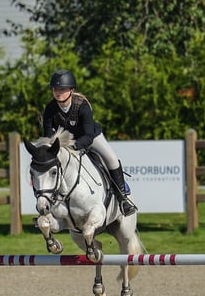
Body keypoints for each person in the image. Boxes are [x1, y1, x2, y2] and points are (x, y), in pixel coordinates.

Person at [41, 68, 137, 216]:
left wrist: (75, 145)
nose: (58, 92)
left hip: (90, 137)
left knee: (111, 159)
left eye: (62, 89)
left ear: (71, 90)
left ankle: (123, 199)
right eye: (55, 89)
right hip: (65, 143)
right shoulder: (50, 108)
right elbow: (48, 134)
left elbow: (88, 136)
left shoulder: (82, 106)